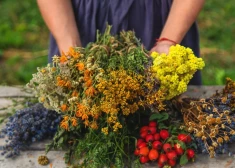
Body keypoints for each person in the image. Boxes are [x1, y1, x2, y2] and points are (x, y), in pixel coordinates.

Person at [37, 0, 205, 85]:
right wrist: (70, 46)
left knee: (172, 123)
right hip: (79, 21)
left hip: (164, 20)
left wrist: (168, 41)